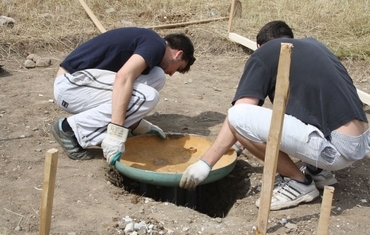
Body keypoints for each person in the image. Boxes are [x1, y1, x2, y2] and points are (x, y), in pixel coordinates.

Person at [179, 20, 370, 210]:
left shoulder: (265, 53)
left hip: (335, 150)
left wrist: (205, 164)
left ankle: (299, 183)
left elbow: (239, 116)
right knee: (293, 110)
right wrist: (239, 144)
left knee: (239, 117)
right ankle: (318, 171)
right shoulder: (314, 46)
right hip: (359, 142)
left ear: (259, 46)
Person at [50, 27, 195, 165]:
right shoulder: (156, 45)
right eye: (179, 68)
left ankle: (119, 126)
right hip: (72, 85)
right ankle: (69, 128)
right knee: (147, 96)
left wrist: (137, 125)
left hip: (84, 83)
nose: (171, 73)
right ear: (179, 54)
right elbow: (124, 78)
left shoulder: (152, 42)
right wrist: (115, 135)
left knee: (157, 76)